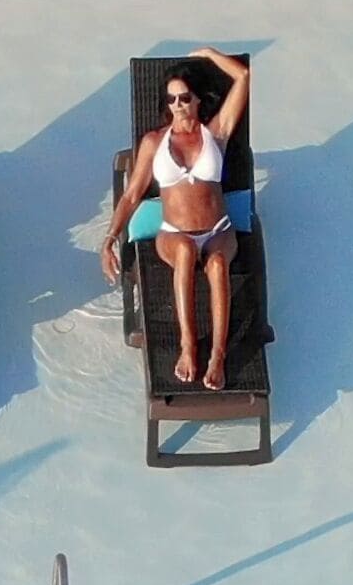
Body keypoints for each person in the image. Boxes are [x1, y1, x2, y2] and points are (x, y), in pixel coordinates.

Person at [104, 48, 252, 390]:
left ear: (198, 99)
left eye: (185, 97)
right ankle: (188, 347)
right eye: (171, 100)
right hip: (173, 233)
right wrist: (110, 238)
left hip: (218, 230)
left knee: (217, 265)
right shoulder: (154, 142)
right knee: (185, 252)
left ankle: (217, 355)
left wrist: (208, 54)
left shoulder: (216, 134)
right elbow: (131, 194)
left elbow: (242, 77)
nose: (178, 105)